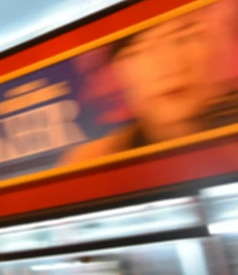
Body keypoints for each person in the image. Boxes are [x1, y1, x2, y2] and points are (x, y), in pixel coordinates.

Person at [62, 10, 221, 163]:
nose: (170, 65)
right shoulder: (94, 160)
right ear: (118, 69)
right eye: (141, 48)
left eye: (182, 38)